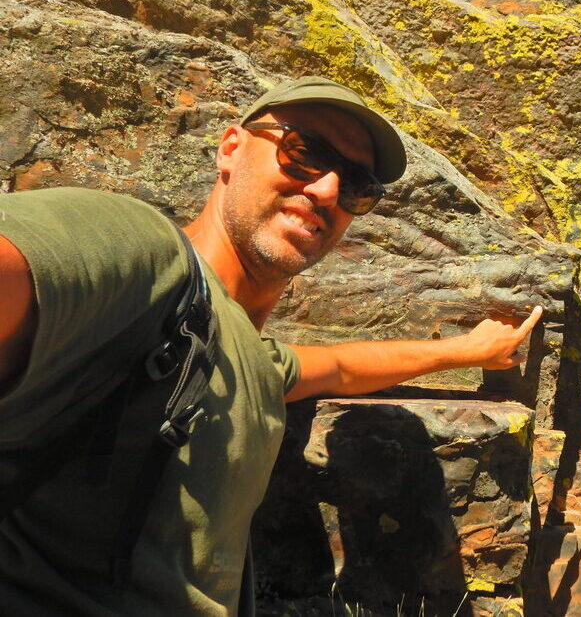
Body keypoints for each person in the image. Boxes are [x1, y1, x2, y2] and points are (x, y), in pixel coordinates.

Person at [0, 76, 542, 615]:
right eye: (304, 152)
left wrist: (468, 351)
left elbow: (338, 367)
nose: (328, 190)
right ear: (231, 149)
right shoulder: (144, 257)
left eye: (356, 185)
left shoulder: (250, 357)